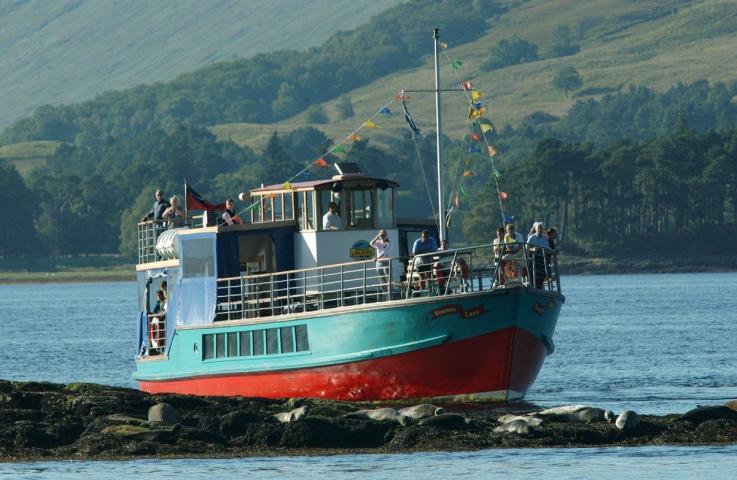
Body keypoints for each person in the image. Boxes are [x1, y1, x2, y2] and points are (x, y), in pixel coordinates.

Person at [527, 221, 550, 290]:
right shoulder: (531, 237)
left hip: (542, 259)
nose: (540, 230)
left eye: (541, 228)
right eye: (539, 228)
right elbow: (526, 248)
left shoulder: (545, 238)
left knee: (544, 273)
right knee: (533, 275)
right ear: (536, 229)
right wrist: (533, 249)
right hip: (533, 259)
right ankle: (534, 287)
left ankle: (540, 288)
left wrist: (553, 252)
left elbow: (547, 248)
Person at [370, 229, 392, 296]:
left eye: (384, 235)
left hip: (386, 262)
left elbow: (384, 253)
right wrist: (378, 236)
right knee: (382, 281)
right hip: (379, 263)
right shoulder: (378, 242)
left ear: (386, 235)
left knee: (389, 280)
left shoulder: (389, 243)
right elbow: (371, 243)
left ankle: (390, 295)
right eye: (381, 235)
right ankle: (385, 295)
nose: (382, 236)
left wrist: (377, 258)